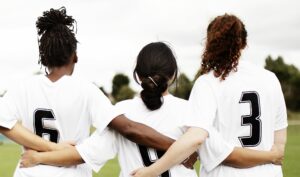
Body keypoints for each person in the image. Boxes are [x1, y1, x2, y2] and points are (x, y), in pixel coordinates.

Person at [20, 42, 283, 177]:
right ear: (173, 75)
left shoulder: (121, 111)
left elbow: (81, 155)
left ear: (137, 75)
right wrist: (271, 155)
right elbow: (227, 155)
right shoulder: (191, 112)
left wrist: (42, 155)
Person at [0, 7, 179, 177]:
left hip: (29, 171)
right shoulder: (86, 90)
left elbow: (3, 122)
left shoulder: (24, 87)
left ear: (43, 56)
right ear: (74, 56)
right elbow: (128, 128)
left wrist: (47, 147)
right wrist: (179, 148)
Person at [131, 14, 287, 177]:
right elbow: (279, 148)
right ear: (244, 43)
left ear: (210, 43)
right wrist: (269, 157)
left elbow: (196, 138)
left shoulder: (208, 83)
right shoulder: (270, 79)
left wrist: (150, 171)